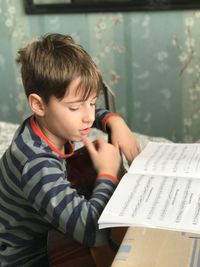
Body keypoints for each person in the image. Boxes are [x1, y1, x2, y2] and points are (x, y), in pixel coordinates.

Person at [0, 33, 139, 266]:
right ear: (38, 104)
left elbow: (82, 111)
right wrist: (107, 172)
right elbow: (93, 232)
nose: (89, 116)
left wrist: (113, 121)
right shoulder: (36, 165)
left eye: (93, 102)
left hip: (47, 232)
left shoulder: (47, 124)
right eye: (75, 108)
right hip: (23, 256)